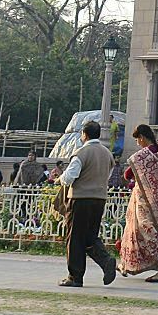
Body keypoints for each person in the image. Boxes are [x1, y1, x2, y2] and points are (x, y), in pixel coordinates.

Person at [58, 119, 117, 287]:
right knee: (90, 235)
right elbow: (107, 175)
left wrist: (60, 178)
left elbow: (70, 177)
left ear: (84, 134)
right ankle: (106, 261)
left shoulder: (81, 153)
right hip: (99, 198)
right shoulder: (107, 154)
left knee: (75, 237)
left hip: (80, 198)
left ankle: (75, 276)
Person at [119, 124, 158, 282]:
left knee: (143, 231)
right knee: (142, 231)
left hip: (144, 201)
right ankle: (126, 264)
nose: (137, 143)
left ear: (141, 137)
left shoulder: (141, 157)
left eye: (137, 140)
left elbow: (127, 175)